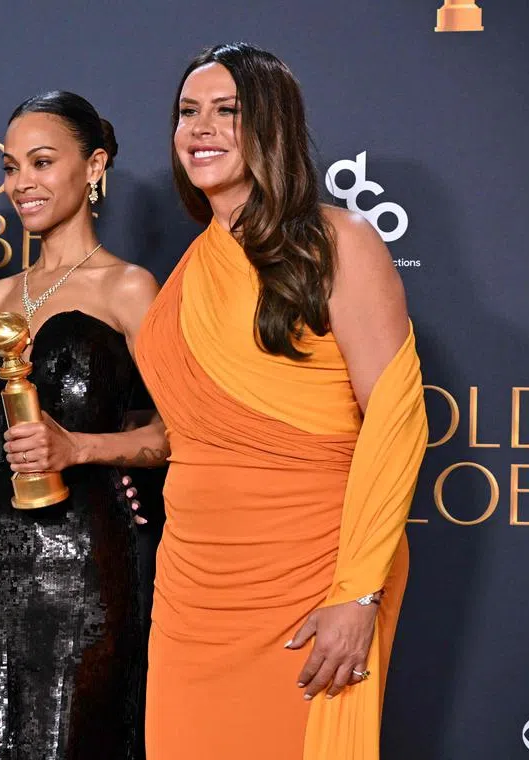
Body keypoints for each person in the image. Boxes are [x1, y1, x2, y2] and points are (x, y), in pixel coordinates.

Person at [136, 44, 428, 759]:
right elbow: (199, 427)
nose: (199, 129)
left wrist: (358, 594)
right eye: (187, 112)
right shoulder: (188, 268)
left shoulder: (338, 243)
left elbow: (395, 421)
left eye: (226, 112)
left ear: (272, 126)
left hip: (313, 577)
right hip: (190, 591)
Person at [0, 91, 166, 759]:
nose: (21, 184)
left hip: (88, 560)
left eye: (42, 162)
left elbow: (180, 433)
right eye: (11, 167)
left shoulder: (129, 288)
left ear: (94, 164)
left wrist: (84, 447)